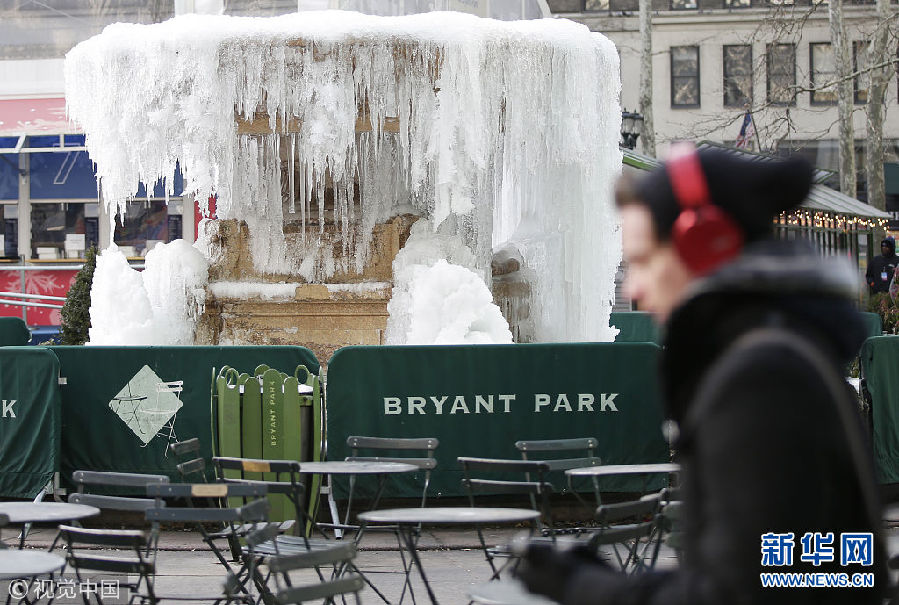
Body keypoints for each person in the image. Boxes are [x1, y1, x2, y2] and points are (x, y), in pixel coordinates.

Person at [517, 144, 887, 604]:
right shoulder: (776, 359)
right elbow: (797, 574)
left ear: (706, 244)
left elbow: (743, 595)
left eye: (644, 259)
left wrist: (586, 589)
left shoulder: (761, 383)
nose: (632, 286)